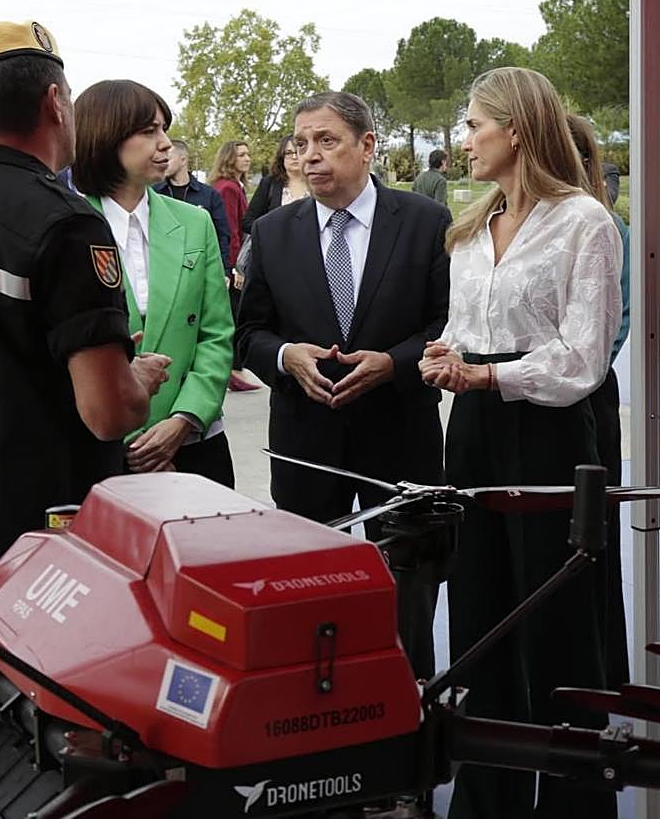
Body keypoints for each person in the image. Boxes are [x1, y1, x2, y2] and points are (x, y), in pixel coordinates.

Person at [420, 68, 622, 819]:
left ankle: (573, 805)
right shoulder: (472, 228)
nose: (464, 139)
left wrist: (486, 376)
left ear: (516, 128)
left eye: (474, 124)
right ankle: (484, 803)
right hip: (473, 431)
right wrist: (443, 356)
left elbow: (584, 356)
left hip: (549, 433)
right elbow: (462, 326)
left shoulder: (584, 222)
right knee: (479, 613)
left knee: (556, 621)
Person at [237, 91, 450, 681]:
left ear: (367, 145)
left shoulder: (426, 222)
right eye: (301, 143)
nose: (310, 155)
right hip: (306, 445)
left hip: (400, 439)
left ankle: (413, 700)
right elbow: (248, 333)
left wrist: (394, 363)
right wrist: (286, 357)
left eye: (326, 140)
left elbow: (448, 323)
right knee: (309, 594)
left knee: (410, 591)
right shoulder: (272, 232)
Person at [0, 21, 171, 575]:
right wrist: (135, 380)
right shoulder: (68, 225)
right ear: (54, 103)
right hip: (36, 537)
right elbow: (109, 414)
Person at [73, 80, 235, 486]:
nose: (165, 144)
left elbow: (216, 333)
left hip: (194, 442)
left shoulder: (194, 222)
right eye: (149, 131)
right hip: (102, 448)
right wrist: (137, 441)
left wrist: (184, 418)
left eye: (164, 129)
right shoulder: (68, 226)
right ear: (105, 136)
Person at [568, 112, 630, 690]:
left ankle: (603, 674)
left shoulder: (604, 226)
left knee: (592, 536)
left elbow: (618, 320)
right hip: (556, 392)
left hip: (589, 396)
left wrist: (573, 367)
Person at [209, 140, 259, 391]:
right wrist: (236, 267)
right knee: (236, 314)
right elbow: (230, 229)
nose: (247, 158)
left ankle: (235, 370)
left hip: (232, 260)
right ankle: (234, 370)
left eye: (248, 154)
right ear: (230, 158)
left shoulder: (232, 186)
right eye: (241, 155)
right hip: (233, 261)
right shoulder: (227, 188)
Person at [154, 138, 230, 272]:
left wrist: (223, 270)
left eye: (168, 159)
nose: (163, 163)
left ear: (183, 160)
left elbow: (222, 236)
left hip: (199, 268)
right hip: (163, 266)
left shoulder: (209, 195)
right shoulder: (154, 194)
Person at [242, 135, 309, 234]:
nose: (294, 157)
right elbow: (248, 222)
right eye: (288, 153)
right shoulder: (269, 184)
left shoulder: (317, 182)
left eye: (298, 151)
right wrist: (272, 233)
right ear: (281, 157)